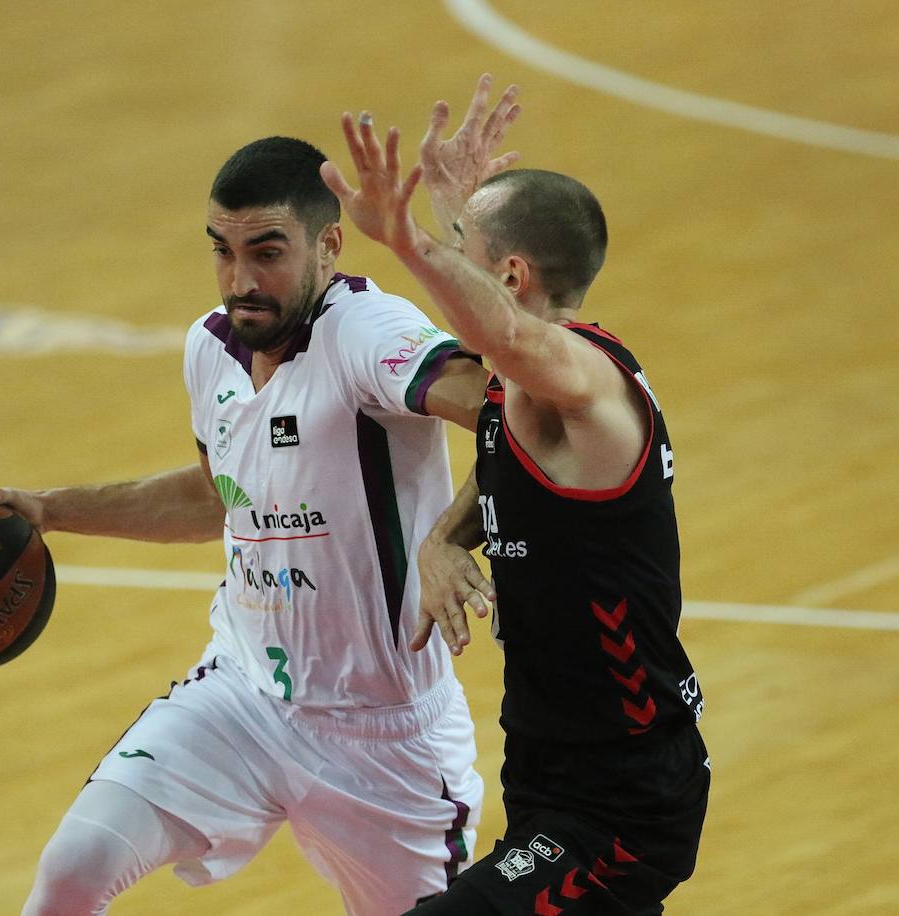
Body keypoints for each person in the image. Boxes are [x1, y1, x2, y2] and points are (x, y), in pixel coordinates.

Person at [0, 122, 520, 914]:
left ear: (329, 246)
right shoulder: (210, 347)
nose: (240, 280)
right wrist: (48, 510)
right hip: (243, 699)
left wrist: (448, 538)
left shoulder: (366, 334)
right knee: (75, 865)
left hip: (387, 741)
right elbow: (219, 496)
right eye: (223, 251)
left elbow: (510, 412)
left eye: (267, 253)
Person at [320, 75, 711, 914]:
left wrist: (405, 239)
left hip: (623, 803)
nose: (444, 254)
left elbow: (498, 327)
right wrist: (443, 538)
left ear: (510, 272)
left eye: (460, 245)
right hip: (548, 770)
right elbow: (501, 444)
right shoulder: (518, 396)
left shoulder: (583, 383)